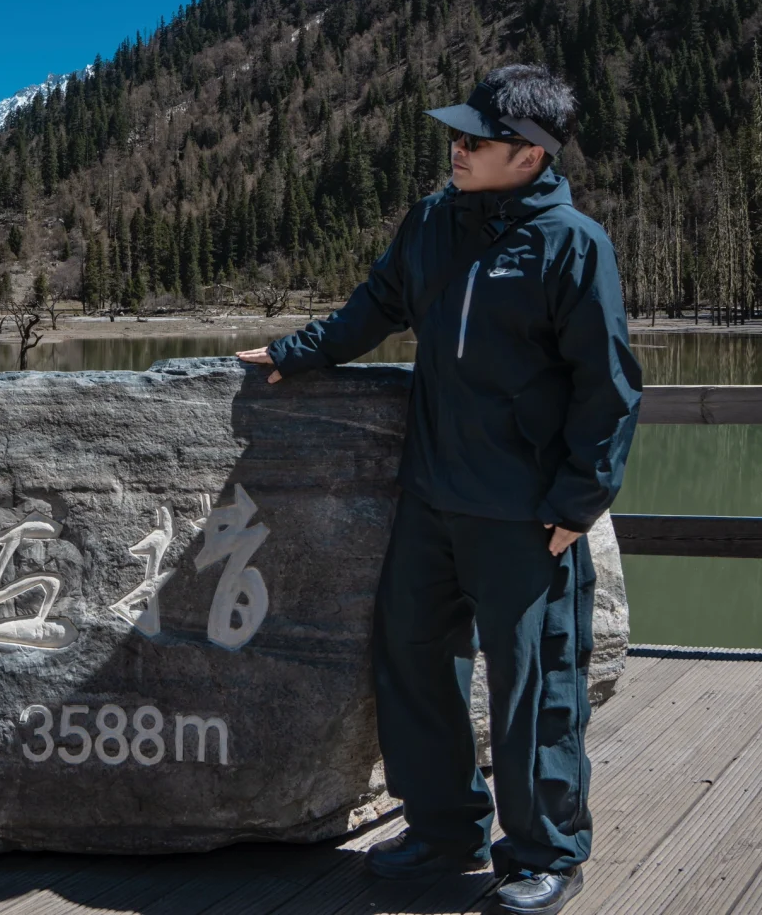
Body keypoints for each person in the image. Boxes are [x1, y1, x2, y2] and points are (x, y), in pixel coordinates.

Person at [238, 64, 641, 915]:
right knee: (415, 661)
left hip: (527, 515)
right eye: (453, 136)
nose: (453, 150)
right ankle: (442, 829)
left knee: (537, 685)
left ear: (527, 154)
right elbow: (373, 307)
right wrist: (294, 352)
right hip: (430, 497)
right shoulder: (429, 222)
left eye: (473, 140)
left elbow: (607, 387)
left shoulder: (572, 244)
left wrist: (576, 503)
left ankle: (544, 854)